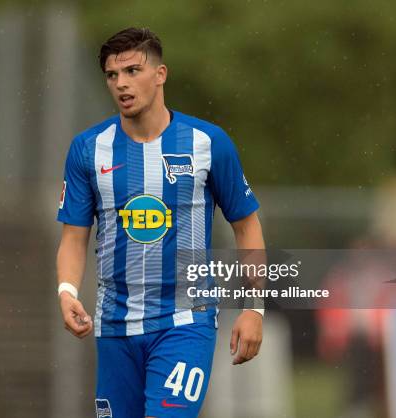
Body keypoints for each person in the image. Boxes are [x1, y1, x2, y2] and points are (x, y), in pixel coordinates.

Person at [56, 27, 265, 418]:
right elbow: (73, 236)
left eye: (133, 71)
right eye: (112, 75)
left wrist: (254, 307)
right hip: (115, 327)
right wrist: (66, 290)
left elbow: (246, 226)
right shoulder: (88, 148)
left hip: (185, 323)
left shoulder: (208, 143)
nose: (121, 84)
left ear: (160, 74)